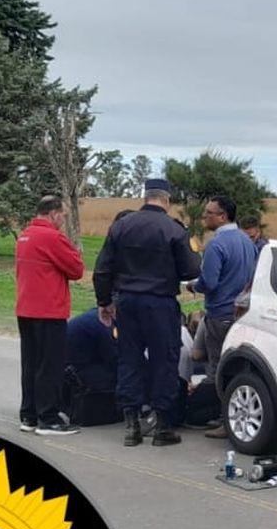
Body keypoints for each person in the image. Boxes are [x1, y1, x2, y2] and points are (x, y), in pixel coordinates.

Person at [92, 178, 201, 448]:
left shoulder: (122, 226)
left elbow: (102, 269)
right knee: (164, 361)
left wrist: (104, 301)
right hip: (160, 303)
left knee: (128, 358)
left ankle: (131, 425)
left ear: (145, 197)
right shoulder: (174, 230)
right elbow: (191, 271)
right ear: (167, 200)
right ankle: (162, 425)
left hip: (127, 302)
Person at [186, 195, 257, 438]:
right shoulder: (247, 242)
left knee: (218, 368)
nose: (205, 216)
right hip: (242, 313)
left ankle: (224, 419)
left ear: (223, 216)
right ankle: (235, 416)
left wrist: (192, 285)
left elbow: (210, 282)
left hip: (219, 313)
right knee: (237, 368)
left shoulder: (217, 244)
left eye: (209, 213)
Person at [15, 196, 86, 435]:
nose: (64, 220)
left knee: (31, 363)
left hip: (25, 308)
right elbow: (76, 269)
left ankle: (29, 414)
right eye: (63, 215)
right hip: (48, 310)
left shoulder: (25, 235)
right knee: (50, 365)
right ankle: (49, 417)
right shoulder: (52, 237)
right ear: (54, 213)